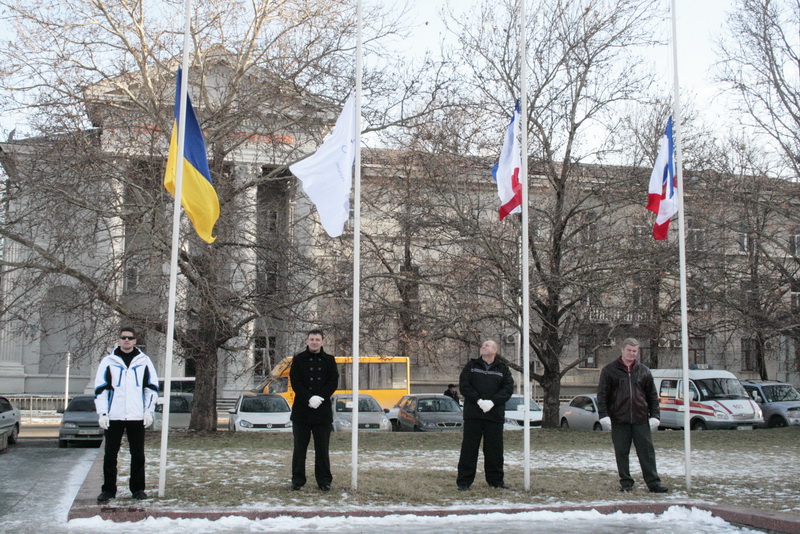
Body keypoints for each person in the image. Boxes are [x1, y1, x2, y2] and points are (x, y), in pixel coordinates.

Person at [94, 326, 159, 503]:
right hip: (114, 416)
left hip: (136, 416)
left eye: (130, 338)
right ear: (119, 340)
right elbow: (101, 389)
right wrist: (103, 413)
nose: (127, 341)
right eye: (123, 338)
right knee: (110, 455)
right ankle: (108, 490)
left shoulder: (144, 361)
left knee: (137, 455)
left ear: (135, 341)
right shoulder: (108, 361)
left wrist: (148, 411)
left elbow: (151, 388)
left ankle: (137, 489)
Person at [597, 338, 668, 493]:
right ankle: (626, 483)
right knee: (622, 452)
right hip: (619, 419)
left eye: (635, 351)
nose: (631, 353)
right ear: (622, 350)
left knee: (647, 452)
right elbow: (602, 395)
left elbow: (652, 396)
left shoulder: (644, 371)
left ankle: (653, 483)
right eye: (629, 350)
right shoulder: (609, 370)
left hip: (641, 419)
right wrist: (604, 414)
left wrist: (655, 415)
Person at [456, 339, 514, 491]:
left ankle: (496, 481)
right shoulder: (472, 366)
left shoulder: (502, 369)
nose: (483, 346)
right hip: (473, 415)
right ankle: (464, 482)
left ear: (495, 350)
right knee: (469, 449)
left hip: (494, 416)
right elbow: (465, 385)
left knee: (494, 450)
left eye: (486, 345)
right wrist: (479, 400)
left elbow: (507, 389)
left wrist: (493, 402)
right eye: (483, 345)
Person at [289, 329, 339, 491]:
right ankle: (297, 480)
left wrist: (320, 398)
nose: (314, 342)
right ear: (307, 341)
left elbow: (333, 382)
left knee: (322, 449)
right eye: (312, 339)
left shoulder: (330, 360)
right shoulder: (298, 359)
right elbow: (295, 382)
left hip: (322, 412)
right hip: (302, 411)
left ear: (323, 341)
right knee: (299, 449)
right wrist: (309, 398)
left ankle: (324, 481)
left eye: (317, 339)